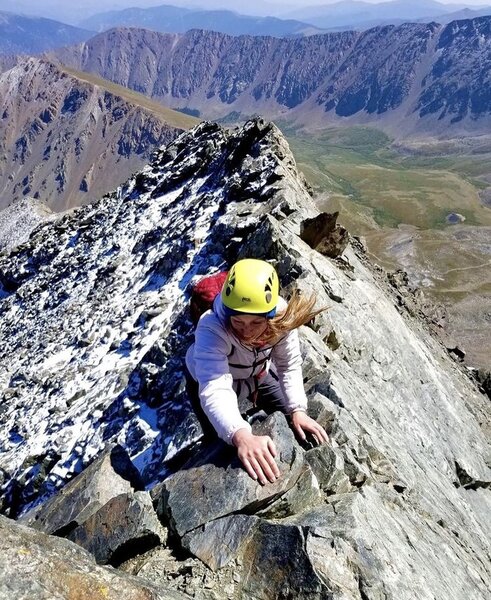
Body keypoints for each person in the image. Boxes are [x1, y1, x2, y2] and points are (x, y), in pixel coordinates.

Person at [185, 258, 329, 485]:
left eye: (255, 323)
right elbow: (215, 386)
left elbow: (288, 365)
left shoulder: (281, 318)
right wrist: (240, 435)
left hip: (257, 374)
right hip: (208, 378)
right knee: (221, 441)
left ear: (270, 315)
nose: (246, 331)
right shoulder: (211, 327)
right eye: (238, 321)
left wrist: (298, 410)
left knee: (294, 421)